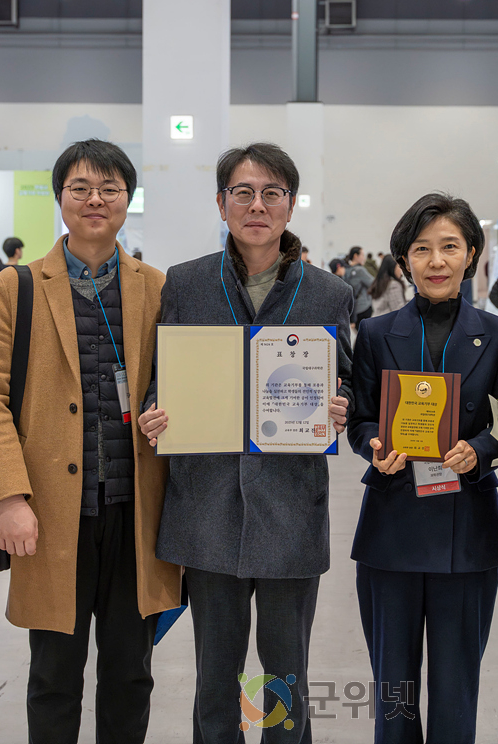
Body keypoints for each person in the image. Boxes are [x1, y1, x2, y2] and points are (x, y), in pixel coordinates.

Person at [0, 139, 181, 743]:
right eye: (81, 187)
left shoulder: (157, 287)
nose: (95, 200)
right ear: (59, 196)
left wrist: (172, 413)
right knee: (54, 675)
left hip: (135, 512)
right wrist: (9, 496)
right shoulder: (18, 286)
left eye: (110, 189)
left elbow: (180, 383)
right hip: (52, 513)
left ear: (127, 201)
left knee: (130, 674)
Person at [137, 142, 353, 742]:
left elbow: (348, 381)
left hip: (290, 508)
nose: (257, 205)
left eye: (272, 194)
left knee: (283, 678)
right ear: (222, 203)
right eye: (243, 193)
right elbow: (162, 374)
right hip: (206, 507)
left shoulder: (327, 293)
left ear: (290, 206)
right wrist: (155, 410)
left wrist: (342, 407)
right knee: (216, 678)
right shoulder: (186, 283)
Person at [349, 193, 498, 741]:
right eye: (422, 250)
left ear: (471, 253)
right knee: (394, 690)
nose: (437, 261)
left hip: (467, 529)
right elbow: (360, 419)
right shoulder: (376, 335)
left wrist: (482, 450)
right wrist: (375, 443)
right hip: (392, 526)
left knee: (455, 685)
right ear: (404, 262)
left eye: (449, 247)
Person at [345, 246, 375, 326]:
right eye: (362, 255)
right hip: (363, 307)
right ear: (355, 256)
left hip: (352, 308)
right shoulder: (360, 270)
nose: (364, 258)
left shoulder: (346, 270)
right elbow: (373, 284)